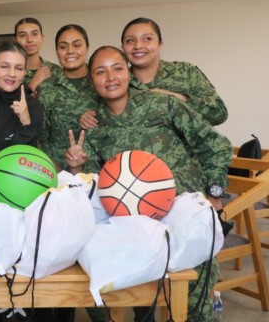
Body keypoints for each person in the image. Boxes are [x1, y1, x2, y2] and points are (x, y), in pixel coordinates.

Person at [65, 46, 232, 322]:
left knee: (195, 305)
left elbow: (215, 145)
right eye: (100, 71)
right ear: (91, 81)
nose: (110, 77)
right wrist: (77, 167)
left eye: (117, 68)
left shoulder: (163, 105)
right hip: (137, 231)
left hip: (183, 218)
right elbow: (99, 187)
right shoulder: (95, 129)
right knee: (141, 303)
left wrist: (214, 193)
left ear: (129, 72)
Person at [80, 17, 228, 129]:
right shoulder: (116, 83)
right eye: (130, 41)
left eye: (147, 39)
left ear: (160, 44)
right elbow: (105, 116)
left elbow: (219, 114)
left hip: (186, 165)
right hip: (137, 165)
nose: (138, 46)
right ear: (123, 47)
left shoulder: (185, 72)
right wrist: (89, 117)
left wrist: (177, 98)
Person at [0, 40, 44, 180]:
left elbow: (18, 158)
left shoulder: (32, 106)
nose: (12, 74)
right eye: (4, 66)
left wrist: (26, 123)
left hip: (15, 186)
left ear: (24, 73)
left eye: (18, 68)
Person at [38, 24, 100, 171]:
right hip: (59, 173)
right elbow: (42, 139)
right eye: (63, 46)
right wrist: (56, 172)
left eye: (77, 45)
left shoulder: (101, 82)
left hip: (100, 172)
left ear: (87, 47)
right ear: (57, 51)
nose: (70, 51)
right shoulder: (47, 88)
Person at [14, 17, 60, 96]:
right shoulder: (11, 73)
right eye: (22, 35)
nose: (29, 40)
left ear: (42, 38)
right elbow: (7, 106)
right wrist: (33, 84)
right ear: (15, 40)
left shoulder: (56, 71)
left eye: (34, 34)